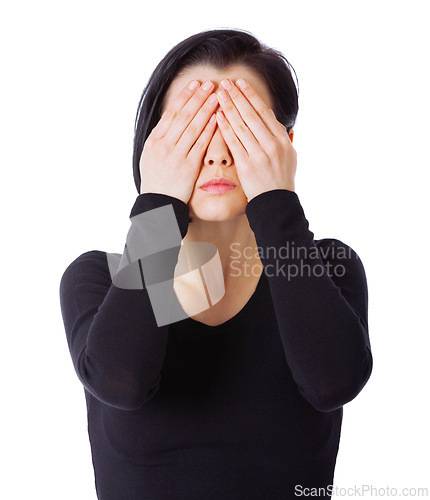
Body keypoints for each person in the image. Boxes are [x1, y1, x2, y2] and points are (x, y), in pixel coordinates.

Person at [59, 28, 373, 500]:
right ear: (155, 145)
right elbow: (121, 382)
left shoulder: (326, 266)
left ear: (284, 143)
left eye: (241, 128)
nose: (219, 152)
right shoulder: (98, 280)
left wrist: (277, 201)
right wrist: (159, 203)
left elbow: (333, 382)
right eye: (193, 128)